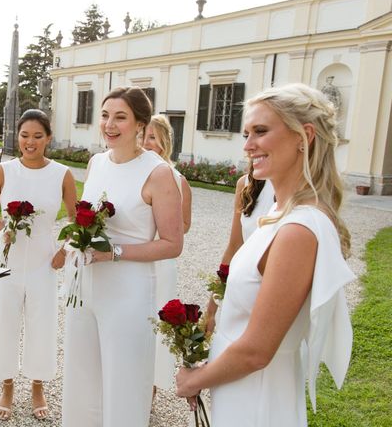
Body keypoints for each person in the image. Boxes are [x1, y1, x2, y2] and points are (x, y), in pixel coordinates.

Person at [175, 83, 355, 426]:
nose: (247, 145)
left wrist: (194, 380)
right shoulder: (278, 213)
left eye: (260, 131)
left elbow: (257, 351)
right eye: (246, 133)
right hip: (237, 387)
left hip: (257, 396)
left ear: (304, 135)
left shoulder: (298, 230)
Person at [62, 86, 184, 427]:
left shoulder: (158, 173)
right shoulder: (96, 162)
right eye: (104, 115)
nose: (109, 124)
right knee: (82, 379)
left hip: (128, 291)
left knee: (124, 384)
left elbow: (173, 243)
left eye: (120, 117)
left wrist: (113, 253)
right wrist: (75, 241)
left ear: (141, 124)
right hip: (85, 286)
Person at [0, 109, 77, 421]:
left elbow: (76, 221)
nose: (30, 142)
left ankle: (37, 385)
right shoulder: (3, 171)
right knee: (3, 321)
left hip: (44, 260)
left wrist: (65, 250)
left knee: (42, 323)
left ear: (48, 138)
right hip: (7, 260)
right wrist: (2, 231)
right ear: (17, 137)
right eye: (24, 135)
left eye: (37, 136)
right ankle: (6, 385)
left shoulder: (62, 174)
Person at [141, 114, 192, 395]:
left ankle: (152, 386)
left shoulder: (176, 179)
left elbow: (184, 225)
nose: (146, 143)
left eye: (152, 138)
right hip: (132, 260)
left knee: (158, 321)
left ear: (163, 143)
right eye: (143, 136)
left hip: (161, 262)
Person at [204, 166, 275, 334]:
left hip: (274, 297)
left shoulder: (303, 189)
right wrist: (211, 309)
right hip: (240, 294)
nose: (248, 146)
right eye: (246, 137)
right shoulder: (245, 184)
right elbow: (234, 246)